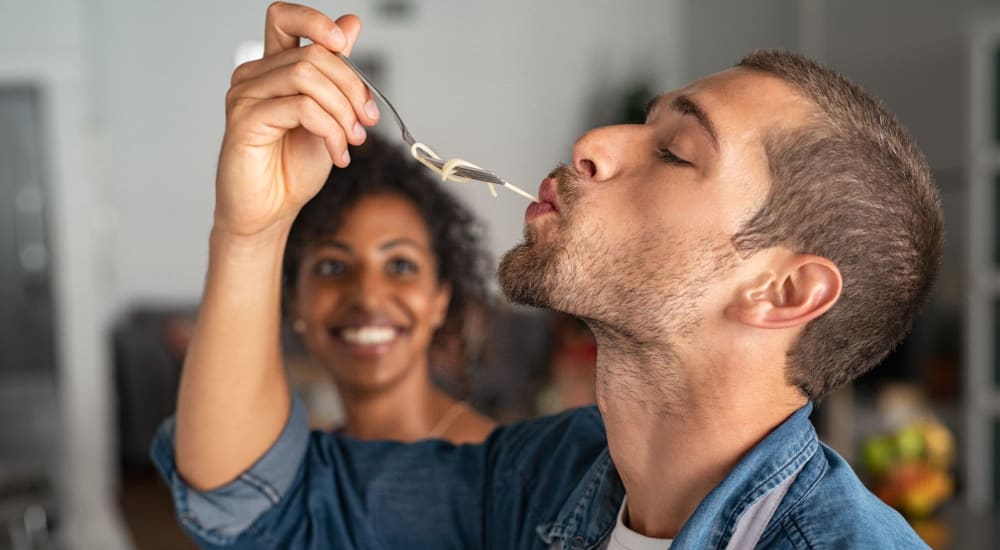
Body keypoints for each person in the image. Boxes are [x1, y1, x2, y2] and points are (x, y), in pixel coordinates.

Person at [152, 3, 942, 548]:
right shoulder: (547, 479)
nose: (595, 140)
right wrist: (252, 228)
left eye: (675, 152)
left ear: (784, 291)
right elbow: (253, 503)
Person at [281, 133, 496, 443]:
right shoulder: (300, 465)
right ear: (294, 300)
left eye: (400, 266)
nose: (368, 298)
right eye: (333, 266)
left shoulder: (499, 472)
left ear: (440, 298)